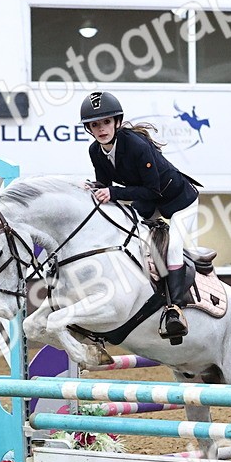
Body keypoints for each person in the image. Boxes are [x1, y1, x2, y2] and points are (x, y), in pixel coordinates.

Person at [81, 91, 201, 340]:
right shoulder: (95, 151)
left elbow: (151, 189)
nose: (101, 129)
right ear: (89, 129)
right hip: (147, 203)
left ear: (116, 121)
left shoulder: (136, 145)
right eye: (95, 125)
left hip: (179, 201)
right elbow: (105, 185)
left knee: (174, 245)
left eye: (105, 122)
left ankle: (175, 308)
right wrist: (94, 188)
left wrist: (111, 192)